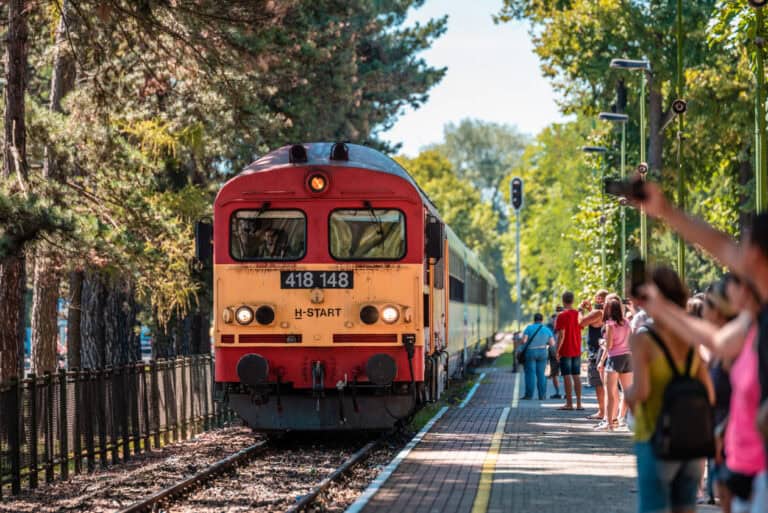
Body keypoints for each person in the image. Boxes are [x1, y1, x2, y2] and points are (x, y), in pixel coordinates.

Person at [630, 179, 768, 512]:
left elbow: (722, 247)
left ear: (757, 254)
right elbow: (716, 341)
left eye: (744, 245)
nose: (736, 254)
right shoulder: (755, 320)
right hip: (748, 476)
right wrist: (660, 308)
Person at [640, 275, 765, 513]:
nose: (699, 308)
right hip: (733, 452)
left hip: (753, 460)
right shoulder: (738, 335)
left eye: (707, 303)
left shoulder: (747, 337)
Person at [626, 266, 715, 513]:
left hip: (655, 439)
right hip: (692, 442)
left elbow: (641, 391)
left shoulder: (643, 339)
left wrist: (627, 397)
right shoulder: (691, 338)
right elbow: (709, 392)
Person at [595, 294, 633, 431]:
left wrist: (602, 356)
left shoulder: (610, 324)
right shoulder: (627, 322)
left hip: (614, 358)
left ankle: (610, 423)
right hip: (628, 357)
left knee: (610, 393)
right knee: (627, 392)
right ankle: (623, 419)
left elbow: (610, 345)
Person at [579, 290, 609, 420]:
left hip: (596, 352)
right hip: (603, 350)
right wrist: (590, 309)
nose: (595, 299)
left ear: (599, 299)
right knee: (606, 383)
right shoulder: (606, 312)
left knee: (599, 384)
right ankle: (607, 412)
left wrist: (580, 309)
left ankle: (602, 412)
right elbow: (595, 322)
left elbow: (581, 322)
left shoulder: (598, 312)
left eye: (597, 297)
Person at [555, 291, 584, 410]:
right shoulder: (578, 314)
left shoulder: (561, 316)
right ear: (572, 301)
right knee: (576, 375)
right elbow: (581, 328)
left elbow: (561, 335)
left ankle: (569, 403)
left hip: (566, 349)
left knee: (567, 375)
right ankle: (579, 404)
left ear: (563, 301)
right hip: (576, 348)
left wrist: (557, 350)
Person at [518, 313, 556, 400]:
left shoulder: (529, 328)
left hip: (530, 352)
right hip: (543, 352)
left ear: (534, 319)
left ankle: (529, 395)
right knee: (541, 374)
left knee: (530, 374)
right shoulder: (547, 329)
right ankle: (542, 395)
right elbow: (552, 343)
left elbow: (524, 341)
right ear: (542, 320)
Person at [547, 312, 562, 399]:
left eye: (556, 320)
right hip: (553, 354)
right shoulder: (549, 329)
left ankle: (567, 393)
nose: (554, 321)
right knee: (554, 374)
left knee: (566, 374)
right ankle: (557, 392)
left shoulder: (563, 328)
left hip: (563, 354)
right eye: (553, 320)